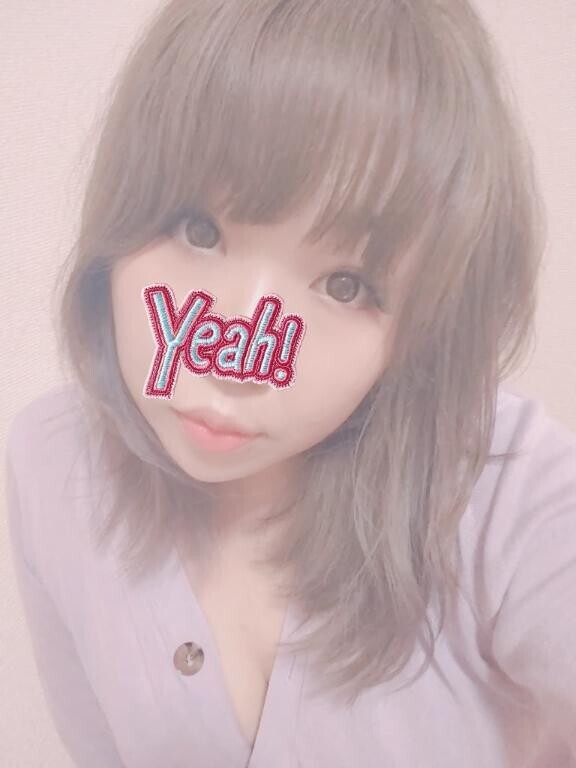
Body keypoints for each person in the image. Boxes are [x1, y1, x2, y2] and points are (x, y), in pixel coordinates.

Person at [5, 0, 576, 766]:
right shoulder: (51, 462)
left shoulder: (506, 492)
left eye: (345, 284)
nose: (233, 357)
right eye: (199, 231)